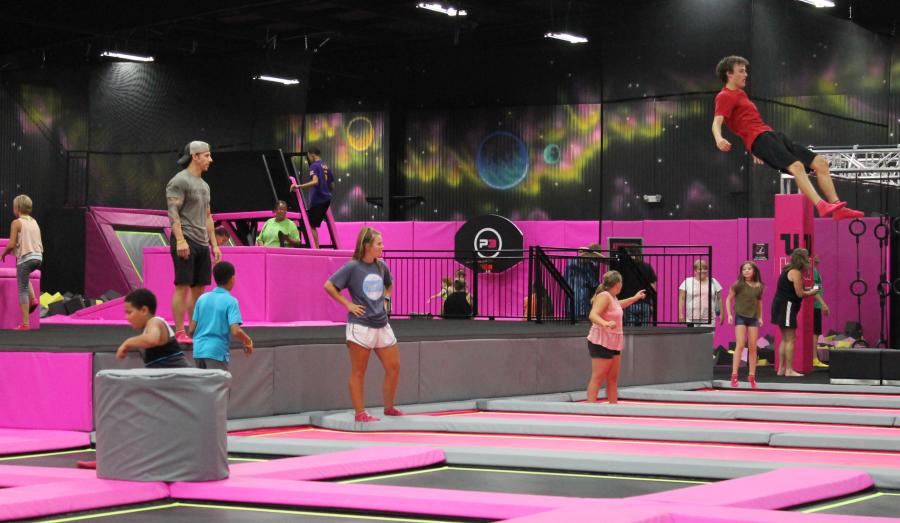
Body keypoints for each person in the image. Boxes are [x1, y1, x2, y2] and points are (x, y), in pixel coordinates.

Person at [712, 56, 863, 221]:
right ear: (729, 74)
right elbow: (717, 122)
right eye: (741, 71)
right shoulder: (724, 96)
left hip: (770, 135)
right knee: (796, 166)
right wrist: (719, 138)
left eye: (745, 71)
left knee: (821, 163)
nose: (746, 74)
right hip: (761, 139)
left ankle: (837, 207)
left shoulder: (740, 94)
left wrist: (751, 147)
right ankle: (821, 205)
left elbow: (740, 124)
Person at [325, 227, 402, 422]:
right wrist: (348, 304)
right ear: (367, 245)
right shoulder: (352, 267)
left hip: (381, 324)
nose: (382, 247)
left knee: (394, 367)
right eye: (379, 244)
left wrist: (386, 300)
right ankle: (360, 413)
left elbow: (389, 284)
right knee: (359, 371)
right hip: (360, 326)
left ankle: (389, 407)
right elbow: (329, 286)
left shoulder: (381, 266)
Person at [166, 141, 221, 344]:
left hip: (201, 241)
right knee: (183, 285)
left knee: (199, 288)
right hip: (185, 239)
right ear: (195, 156)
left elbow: (208, 217)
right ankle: (179, 331)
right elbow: (173, 213)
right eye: (207, 155)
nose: (210, 160)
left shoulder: (205, 186)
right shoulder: (179, 181)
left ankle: (194, 330)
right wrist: (180, 240)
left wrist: (214, 244)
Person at [586, 271, 646, 403]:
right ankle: (589, 407)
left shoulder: (612, 298)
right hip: (601, 341)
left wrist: (635, 298)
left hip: (613, 341)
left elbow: (619, 305)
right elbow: (593, 315)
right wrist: (606, 323)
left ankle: (613, 406)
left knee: (612, 378)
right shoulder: (604, 296)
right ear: (618, 284)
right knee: (598, 376)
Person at [189, 261, 253, 370]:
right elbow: (235, 330)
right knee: (217, 386)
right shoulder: (231, 301)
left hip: (198, 351)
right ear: (232, 278)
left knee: (202, 386)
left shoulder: (202, 298)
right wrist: (247, 340)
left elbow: (191, 329)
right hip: (216, 352)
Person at [772, 248, 819, 377]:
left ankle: (781, 369)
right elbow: (800, 293)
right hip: (787, 305)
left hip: (780, 304)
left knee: (785, 339)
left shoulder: (787, 270)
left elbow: (794, 289)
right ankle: (789, 370)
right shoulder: (795, 272)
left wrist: (807, 289)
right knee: (791, 339)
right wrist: (813, 292)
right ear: (803, 260)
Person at [115, 288, 190, 368]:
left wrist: (127, 342)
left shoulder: (155, 321)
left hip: (182, 378)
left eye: (129, 312)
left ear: (144, 310)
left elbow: (152, 339)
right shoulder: (149, 327)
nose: (126, 317)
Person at [1, 195, 42, 330]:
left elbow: (11, 244)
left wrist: (3, 254)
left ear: (17, 208)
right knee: (24, 277)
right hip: (38, 257)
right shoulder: (34, 221)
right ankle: (34, 299)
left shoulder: (16, 222)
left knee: (21, 289)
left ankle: (25, 323)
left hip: (26, 258)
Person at [725, 261, 764, 389]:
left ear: (754, 271)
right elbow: (728, 299)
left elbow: (759, 303)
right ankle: (734, 375)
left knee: (753, 347)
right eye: (744, 269)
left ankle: (752, 376)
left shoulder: (758, 286)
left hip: (753, 318)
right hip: (740, 317)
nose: (746, 271)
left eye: (749, 269)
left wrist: (760, 317)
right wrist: (730, 314)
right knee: (740, 344)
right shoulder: (738, 285)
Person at [291, 147, 334, 248]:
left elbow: (315, 182)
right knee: (308, 222)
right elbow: (332, 186)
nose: (308, 159)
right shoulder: (326, 166)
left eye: (308, 156)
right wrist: (324, 188)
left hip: (319, 200)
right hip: (326, 199)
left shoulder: (314, 166)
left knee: (310, 225)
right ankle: (315, 248)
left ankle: (316, 249)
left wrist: (298, 186)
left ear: (312, 155)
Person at [616, 246, 657, 326]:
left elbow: (618, 285)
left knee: (630, 331)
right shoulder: (647, 267)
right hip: (645, 302)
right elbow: (653, 287)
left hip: (629, 302)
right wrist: (652, 303)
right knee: (644, 331)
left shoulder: (624, 267)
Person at [679, 260, 723, 327]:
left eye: (705, 269)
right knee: (692, 337)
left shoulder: (713, 281)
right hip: (691, 318)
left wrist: (721, 314)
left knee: (707, 337)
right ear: (695, 271)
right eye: (700, 269)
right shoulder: (688, 281)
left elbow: (719, 299)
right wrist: (680, 314)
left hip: (709, 319)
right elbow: (681, 298)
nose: (703, 271)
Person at [564, 244, 602, 318]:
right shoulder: (575, 262)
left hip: (583, 292)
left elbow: (593, 282)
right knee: (576, 309)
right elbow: (580, 249)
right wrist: (588, 252)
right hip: (576, 290)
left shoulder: (590, 264)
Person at [812, 255, 830, 362]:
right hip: (815, 306)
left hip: (816, 306)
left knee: (816, 333)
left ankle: (813, 358)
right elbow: (813, 289)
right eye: (815, 257)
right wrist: (823, 304)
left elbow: (816, 288)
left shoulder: (814, 271)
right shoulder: (812, 271)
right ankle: (814, 358)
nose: (818, 258)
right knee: (815, 333)